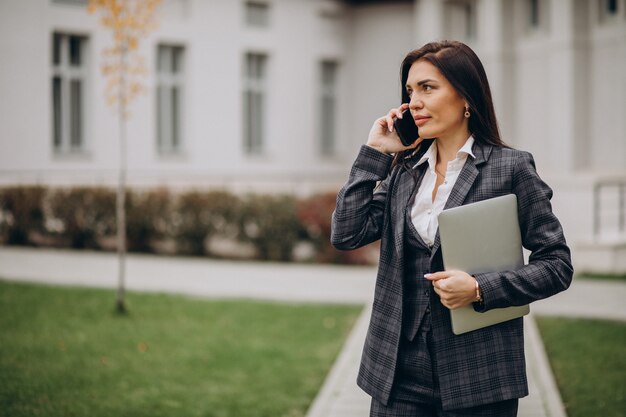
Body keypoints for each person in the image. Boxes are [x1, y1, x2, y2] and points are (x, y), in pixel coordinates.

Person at [330, 40, 573, 417]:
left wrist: (479, 288)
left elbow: (557, 265)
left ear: (466, 98)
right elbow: (346, 233)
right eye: (410, 91)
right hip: (397, 372)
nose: (414, 101)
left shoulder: (511, 169)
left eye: (427, 88)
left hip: (479, 374)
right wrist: (376, 153)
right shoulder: (405, 171)